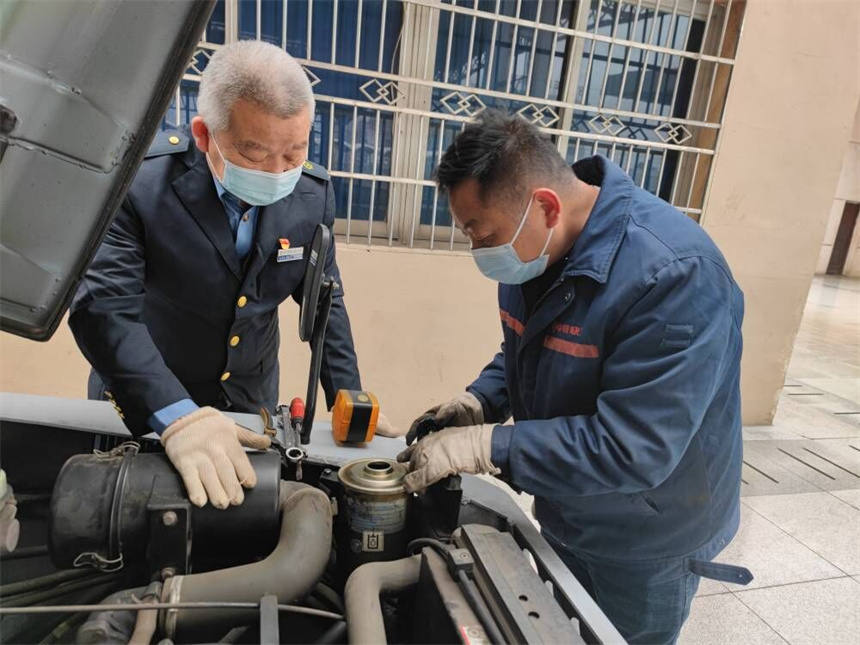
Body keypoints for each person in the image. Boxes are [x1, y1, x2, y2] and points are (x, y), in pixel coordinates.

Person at [398, 110, 751, 644]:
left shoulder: (675, 276)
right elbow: (530, 346)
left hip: (648, 537)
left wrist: (488, 446)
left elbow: (634, 448)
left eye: (482, 232)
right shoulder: (536, 250)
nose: (477, 250)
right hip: (570, 507)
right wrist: (482, 401)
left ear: (545, 205)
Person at [70, 41, 401, 511]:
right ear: (205, 135)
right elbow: (103, 309)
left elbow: (325, 298)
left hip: (251, 401)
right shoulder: (140, 185)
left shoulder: (311, 196)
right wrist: (178, 418)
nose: (277, 171)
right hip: (151, 396)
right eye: (255, 152)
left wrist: (347, 394)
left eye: (294, 152)